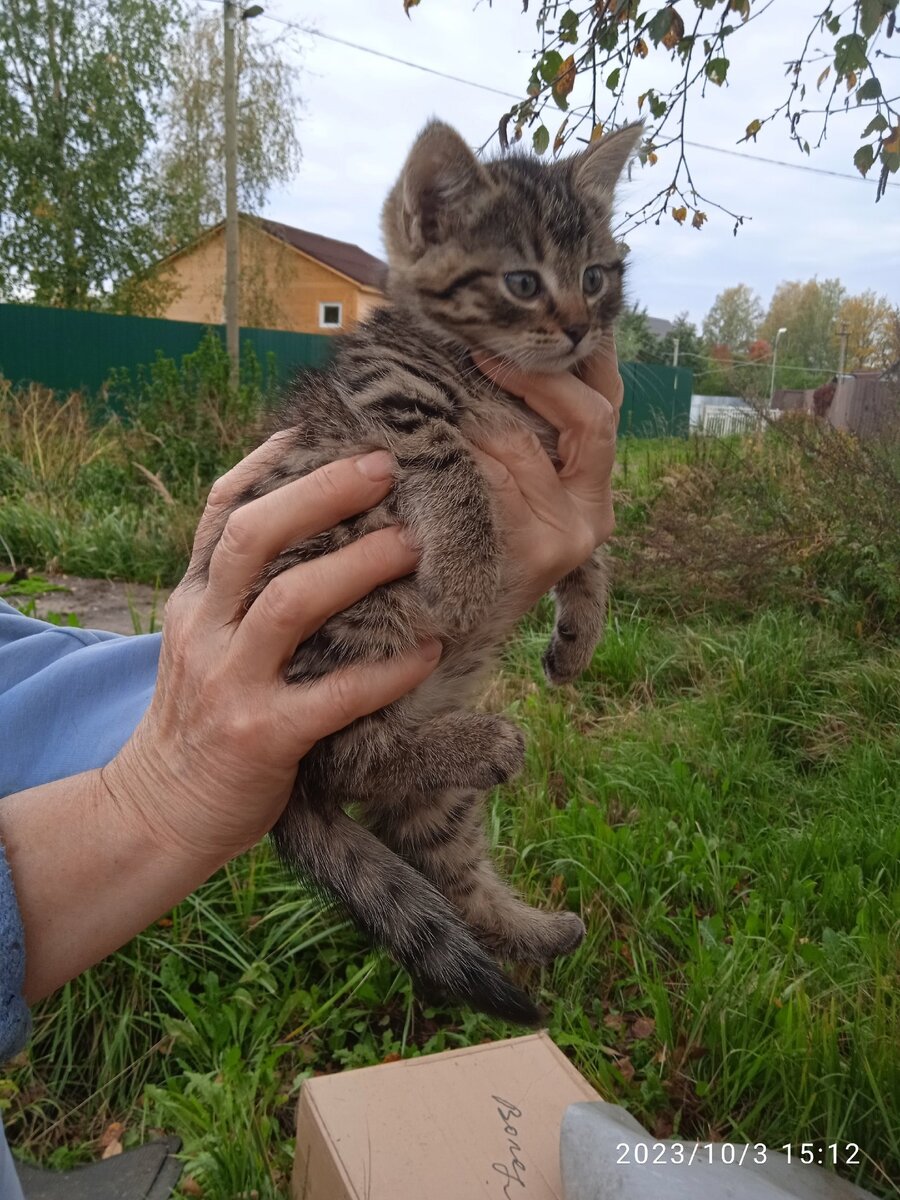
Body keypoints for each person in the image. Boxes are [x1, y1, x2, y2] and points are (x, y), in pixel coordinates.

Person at [0, 350, 622, 1194]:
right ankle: (381, 762)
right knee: (403, 729)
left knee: (414, 758)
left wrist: (197, 697)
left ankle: (472, 900)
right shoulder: (423, 357)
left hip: (347, 626)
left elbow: (41, 678)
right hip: (372, 606)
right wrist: (160, 789)